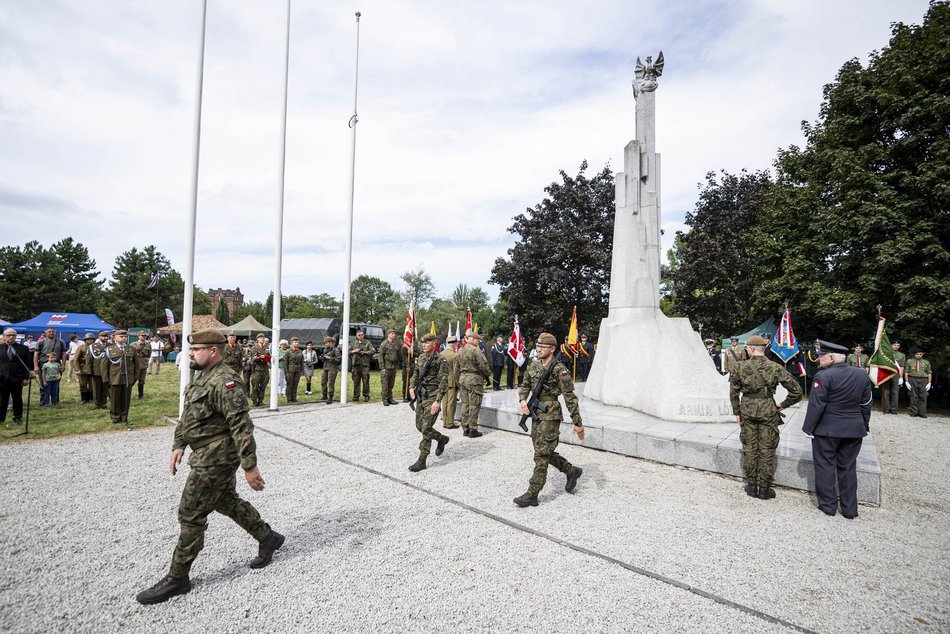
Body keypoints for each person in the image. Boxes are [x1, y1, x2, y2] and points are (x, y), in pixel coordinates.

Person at [135, 329, 284, 605]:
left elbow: (241, 426)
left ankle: (178, 577)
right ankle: (268, 537)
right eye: (191, 350)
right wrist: (178, 443)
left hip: (216, 458)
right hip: (203, 452)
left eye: (196, 350)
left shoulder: (226, 381)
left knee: (190, 514)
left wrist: (249, 466)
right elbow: (188, 414)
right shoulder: (202, 376)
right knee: (226, 501)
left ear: (213, 352)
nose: (190, 353)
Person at [513, 332, 585, 508]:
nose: (539, 349)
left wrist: (577, 423)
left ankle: (532, 493)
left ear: (552, 349)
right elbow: (525, 385)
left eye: (542, 347)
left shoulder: (560, 369)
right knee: (543, 451)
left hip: (550, 414)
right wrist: (523, 400)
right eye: (538, 346)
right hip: (536, 413)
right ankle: (571, 471)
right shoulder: (534, 366)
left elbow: (570, 397)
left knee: (541, 454)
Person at [802, 339, 872, 518]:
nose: (819, 360)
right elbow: (866, 403)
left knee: (825, 466)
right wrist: (863, 424)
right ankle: (850, 509)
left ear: (831, 358)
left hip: (827, 430)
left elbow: (816, 406)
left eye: (822, 356)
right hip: (853, 428)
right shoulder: (861, 374)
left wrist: (808, 428)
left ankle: (828, 506)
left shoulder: (823, 376)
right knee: (848, 467)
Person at [729, 334, 803, 500]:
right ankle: (764, 489)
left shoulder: (739, 367)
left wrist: (737, 412)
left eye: (748, 348)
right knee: (767, 449)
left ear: (753, 348)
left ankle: (751, 485)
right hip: (768, 410)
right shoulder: (775, 367)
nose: (747, 350)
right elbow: (797, 391)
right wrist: (783, 404)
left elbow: (733, 393)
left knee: (750, 448)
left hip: (747, 410)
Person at [407, 334, 450, 472]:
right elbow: (416, 373)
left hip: (433, 396)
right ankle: (441, 438)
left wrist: (438, 401)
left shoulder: (440, 359)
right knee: (419, 426)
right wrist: (411, 386)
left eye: (427, 342)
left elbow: (444, 382)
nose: (424, 345)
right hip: (421, 395)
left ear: (434, 343)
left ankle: (422, 460)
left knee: (426, 428)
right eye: (423, 343)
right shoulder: (421, 357)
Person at [456, 329, 491, 438]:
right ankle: (473, 429)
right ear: (474, 340)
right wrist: (487, 374)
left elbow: (456, 367)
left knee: (465, 404)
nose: (478, 342)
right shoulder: (476, 351)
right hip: (474, 380)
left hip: (463, 379)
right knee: (474, 404)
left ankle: (465, 428)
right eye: (478, 340)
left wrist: (460, 379)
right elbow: (484, 366)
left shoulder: (460, 350)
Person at [106, 329, 139, 424]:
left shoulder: (131, 349)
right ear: (115, 338)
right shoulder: (109, 350)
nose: (124, 338)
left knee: (126, 399)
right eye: (121, 336)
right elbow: (105, 366)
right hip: (114, 378)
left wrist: (135, 378)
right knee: (114, 399)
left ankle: (124, 417)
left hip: (128, 379)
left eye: (125, 337)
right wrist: (106, 379)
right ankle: (115, 417)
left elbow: (136, 365)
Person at [0, 329, 32, 424]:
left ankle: (18, 417)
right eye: (9, 335)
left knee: (17, 399)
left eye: (13, 335)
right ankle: (1, 417)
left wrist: (26, 378)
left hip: (17, 378)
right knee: (2, 399)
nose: (11, 337)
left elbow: (27, 364)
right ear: (4, 336)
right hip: (2, 378)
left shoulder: (23, 348)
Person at [439, 334, 460, 429]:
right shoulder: (454, 356)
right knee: (451, 403)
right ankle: (450, 423)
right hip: (451, 381)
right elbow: (456, 371)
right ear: (454, 345)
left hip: (443, 381)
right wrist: (458, 383)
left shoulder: (441, 354)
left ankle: (445, 421)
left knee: (445, 402)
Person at [905, 349, 933, 418]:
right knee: (913, 396)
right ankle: (914, 412)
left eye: (920, 354)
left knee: (923, 396)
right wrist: (906, 381)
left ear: (922, 354)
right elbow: (906, 372)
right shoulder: (910, 361)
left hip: (923, 380)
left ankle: (922, 412)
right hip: (912, 379)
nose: (919, 356)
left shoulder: (926, 362)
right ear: (914, 354)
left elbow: (929, 373)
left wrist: (929, 383)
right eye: (917, 354)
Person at [378, 329, 403, 406]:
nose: (393, 335)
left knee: (391, 384)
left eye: (394, 334)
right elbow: (380, 356)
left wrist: (398, 366)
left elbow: (399, 356)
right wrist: (382, 368)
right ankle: (385, 399)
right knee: (385, 384)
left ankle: (390, 398)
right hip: (386, 367)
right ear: (388, 334)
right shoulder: (384, 344)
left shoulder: (396, 344)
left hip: (393, 367)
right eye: (392, 334)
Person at [349, 329, 374, 402]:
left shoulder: (367, 343)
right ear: (356, 336)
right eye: (359, 335)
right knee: (356, 381)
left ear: (364, 335)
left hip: (364, 365)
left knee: (365, 381)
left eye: (362, 335)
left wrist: (364, 352)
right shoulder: (354, 343)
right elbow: (348, 352)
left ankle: (366, 396)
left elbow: (373, 351)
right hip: (356, 365)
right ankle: (356, 396)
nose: (361, 336)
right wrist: (354, 351)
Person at [882, 340, 906, 414]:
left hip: (896, 374)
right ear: (891, 345)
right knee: (886, 391)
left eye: (898, 345)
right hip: (886, 373)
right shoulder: (885, 353)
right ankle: (886, 409)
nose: (896, 346)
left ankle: (894, 409)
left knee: (895, 392)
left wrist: (901, 377)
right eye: (895, 345)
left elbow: (902, 367)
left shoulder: (902, 355)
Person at [249, 334, 270, 407]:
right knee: (255, 386)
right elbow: (253, 359)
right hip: (257, 369)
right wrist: (261, 357)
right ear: (257, 339)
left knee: (263, 386)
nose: (262, 339)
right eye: (261, 338)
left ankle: (261, 401)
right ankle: (254, 401)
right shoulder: (254, 348)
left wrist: (265, 358)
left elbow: (268, 358)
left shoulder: (266, 348)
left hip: (265, 369)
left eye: (263, 338)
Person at [91, 331, 111, 409]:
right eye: (103, 336)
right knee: (96, 388)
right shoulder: (93, 346)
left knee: (105, 388)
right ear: (99, 336)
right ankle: (97, 403)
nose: (105, 338)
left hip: (106, 371)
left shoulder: (110, 345)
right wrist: (90, 371)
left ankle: (103, 403)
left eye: (106, 336)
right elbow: (89, 359)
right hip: (97, 371)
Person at [75, 333, 96, 404]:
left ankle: (90, 399)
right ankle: (84, 399)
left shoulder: (95, 347)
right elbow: (76, 359)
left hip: (93, 369)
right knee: (83, 384)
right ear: (85, 340)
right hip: (83, 368)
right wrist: (77, 369)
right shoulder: (81, 347)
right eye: (88, 339)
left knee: (92, 385)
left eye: (92, 339)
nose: (90, 340)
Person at [320, 336, 341, 404]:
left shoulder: (335, 350)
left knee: (331, 383)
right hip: (325, 367)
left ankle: (330, 397)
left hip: (332, 368)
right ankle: (324, 395)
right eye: (325, 343)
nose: (326, 344)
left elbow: (338, 360)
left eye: (328, 343)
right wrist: (322, 357)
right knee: (323, 382)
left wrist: (330, 358)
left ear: (331, 343)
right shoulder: (325, 350)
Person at [131, 332, 151, 400]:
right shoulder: (133, 344)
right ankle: (127, 393)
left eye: (145, 336)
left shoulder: (148, 345)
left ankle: (140, 395)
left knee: (142, 381)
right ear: (138, 336)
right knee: (133, 379)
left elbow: (149, 354)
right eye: (142, 336)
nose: (144, 337)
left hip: (143, 364)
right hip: (135, 364)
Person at [284, 337, 304, 403]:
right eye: (295, 342)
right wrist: (286, 373)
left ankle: (294, 398)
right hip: (290, 370)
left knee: (295, 384)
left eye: (297, 342)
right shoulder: (288, 351)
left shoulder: (300, 351)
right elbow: (285, 363)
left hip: (297, 370)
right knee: (290, 384)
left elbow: (302, 362)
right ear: (292, 343)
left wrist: (302, 371)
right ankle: (289, 399)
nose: (297, 343)